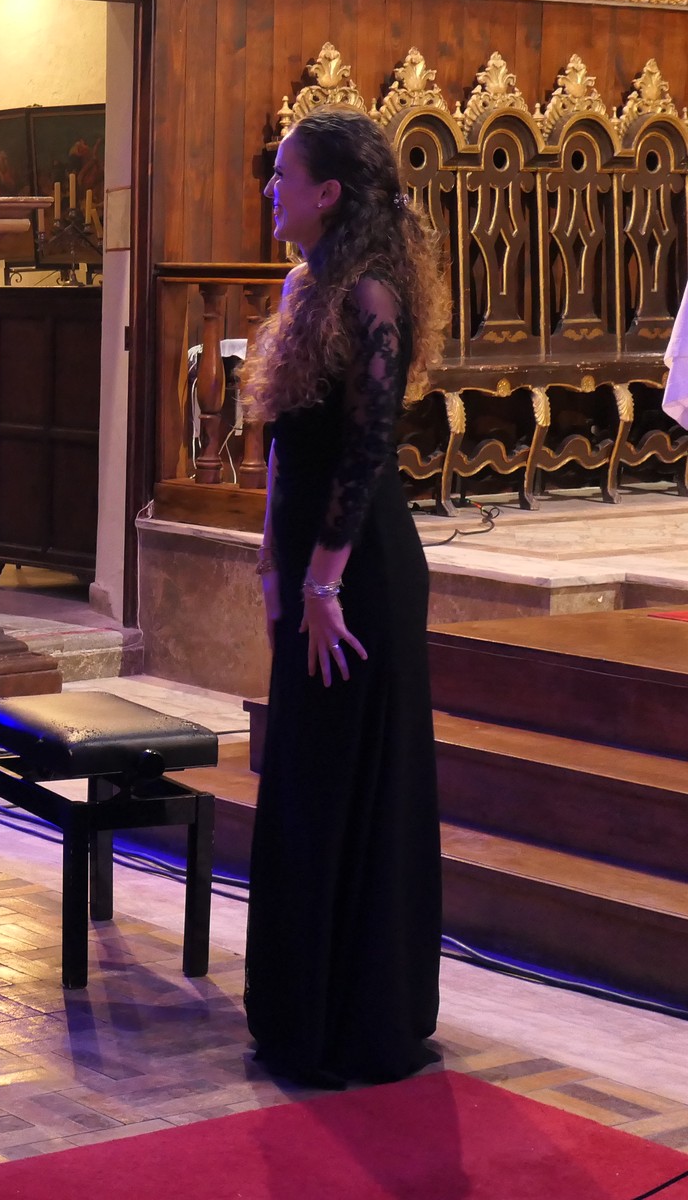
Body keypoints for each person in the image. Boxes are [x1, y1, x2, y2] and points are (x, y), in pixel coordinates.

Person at [241, 106, 450, 1085]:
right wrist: (271, 564)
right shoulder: (304, 285)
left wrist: (321, 582)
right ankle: (298, 1010)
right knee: (303, 779)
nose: (270, 189)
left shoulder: (370, 295)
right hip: (310, 567)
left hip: (359, 571)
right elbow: (286, 447)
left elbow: (365, 453)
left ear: (327, 193)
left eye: (283, 175)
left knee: (345, 782)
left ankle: (356, 1018)